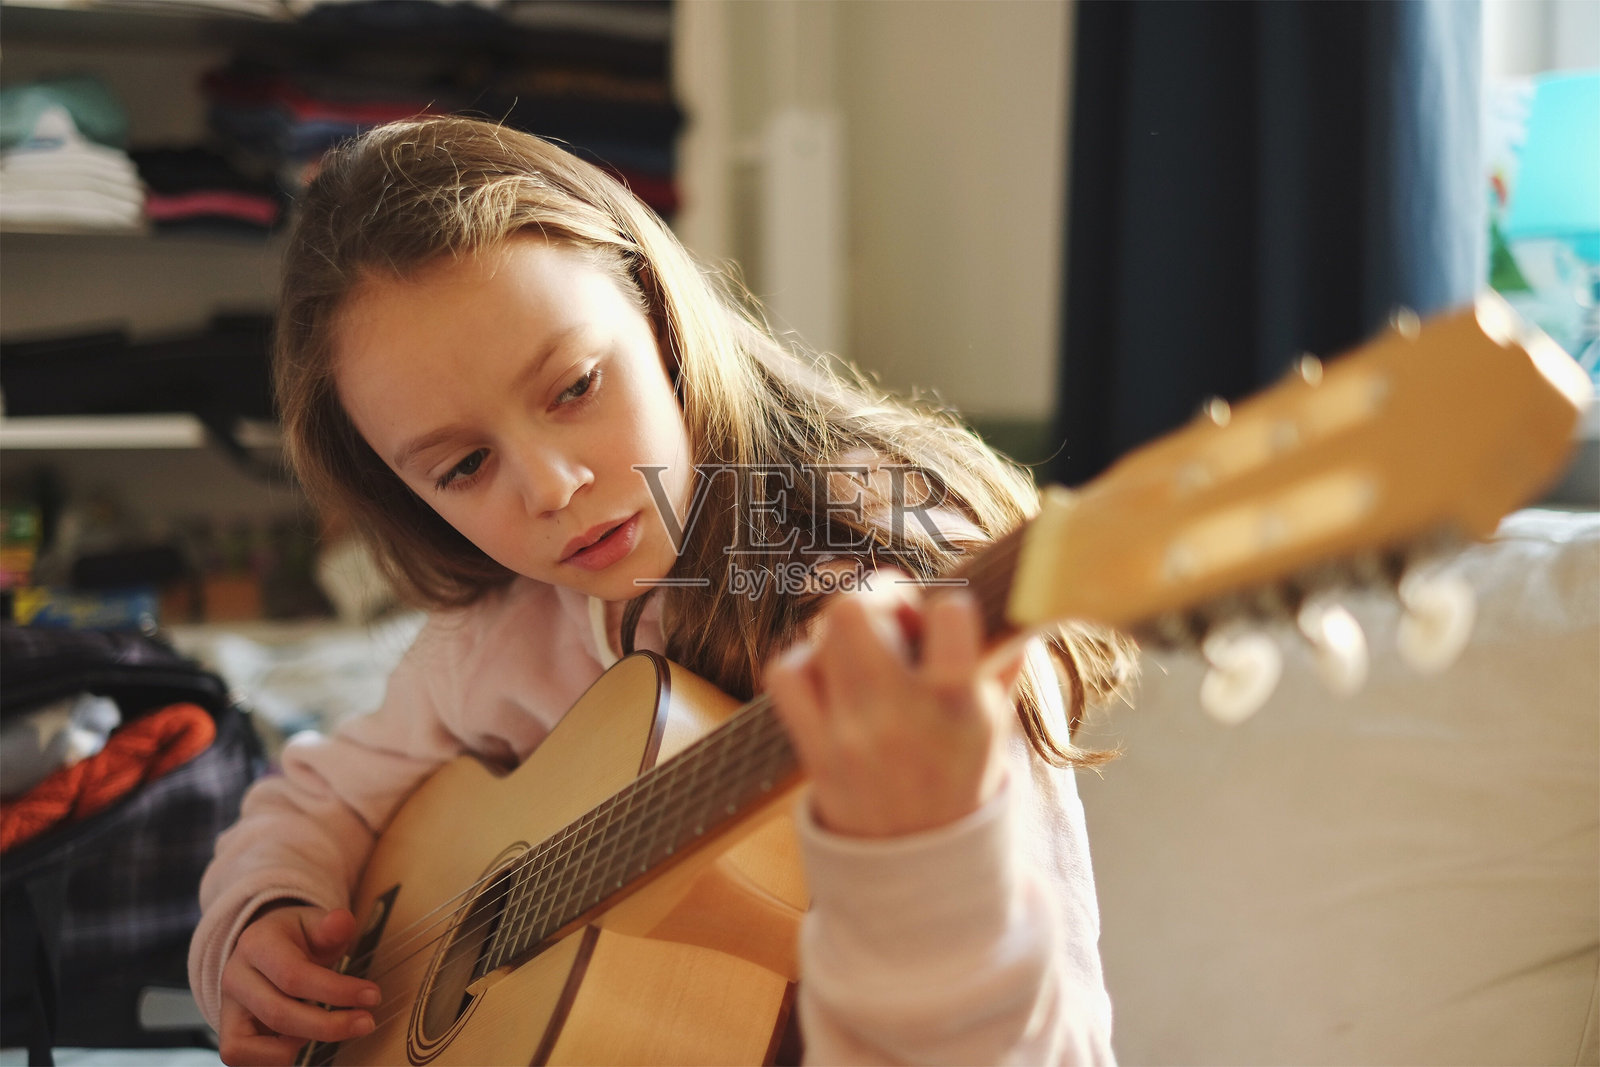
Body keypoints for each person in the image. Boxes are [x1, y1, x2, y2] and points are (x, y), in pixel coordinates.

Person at [188, 115, 1133, 1066]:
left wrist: (933, 847)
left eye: (575, 387)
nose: (552, 486)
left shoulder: (888, 572)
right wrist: (263, 912)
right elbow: (321, 791)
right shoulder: (498, 631)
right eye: (465, 465)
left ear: (658, 311)